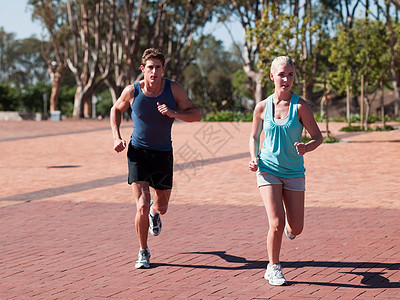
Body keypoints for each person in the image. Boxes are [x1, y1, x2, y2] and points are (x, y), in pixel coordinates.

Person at [110, 48, 201, 269]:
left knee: (162, 206)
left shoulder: (173, 89)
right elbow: (115, 110)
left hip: (162, 153)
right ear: (143, 69)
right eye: (150, 67)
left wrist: (174, 114)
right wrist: (116, 137)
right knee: (140, 204)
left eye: (158, 67)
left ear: (162, 69)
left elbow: (196, 114)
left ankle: (154, 213)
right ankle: (143, 251)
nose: (154, 71)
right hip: (138, 152)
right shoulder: (133, 91)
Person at [248, 56, 323, 286]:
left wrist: (306, 147)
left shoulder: (301, 107)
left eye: (290, 75)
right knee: (277, 222)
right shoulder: (262, 107)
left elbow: (318, 137)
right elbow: (253, 136)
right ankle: (274, 267)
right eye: (282, 74)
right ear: (272, 76)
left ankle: (290, 231)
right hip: (268, 168)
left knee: (296, 228)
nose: (286, 79)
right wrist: (253, 158)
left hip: (293, 171)